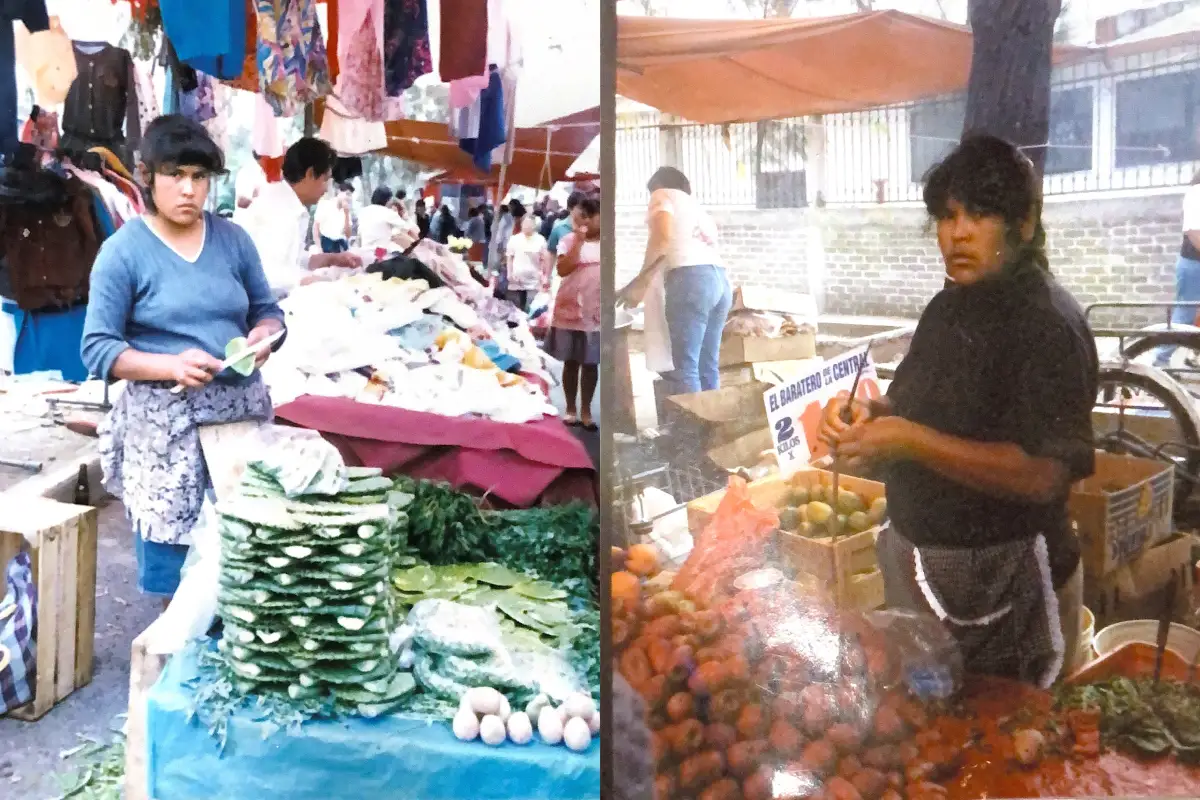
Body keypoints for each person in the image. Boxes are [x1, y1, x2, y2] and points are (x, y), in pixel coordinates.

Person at [819, 134, 1097, 688]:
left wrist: (907, 439)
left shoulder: (1047, 325)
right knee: (936, 737)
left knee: (1013, 744)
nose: (959, 233)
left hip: (1011, 589)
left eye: (981, 213)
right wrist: (863, 416)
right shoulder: (948, 308)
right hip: (925, 577)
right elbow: (916, 407)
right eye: (947, 216)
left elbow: (1042, 474)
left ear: (1022, 225)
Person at [80, 115, 285, 598]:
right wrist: (170, 366)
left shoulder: (233, 240)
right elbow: (97, 347)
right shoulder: (122, 252)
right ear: (147, 175)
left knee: (246, 562)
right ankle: (177, 662)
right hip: (165, 432)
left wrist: (262, 337)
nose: (189, 189)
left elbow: (269, 311)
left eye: (200, 177)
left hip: (239, 425)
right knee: (179, 580)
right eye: (176, 175)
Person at [619, 167, 731, 396]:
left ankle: (692, 430)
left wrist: (640, 284)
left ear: (659, 185)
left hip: (690, 280)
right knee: (706, 364)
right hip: (719, 281)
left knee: (685, 367)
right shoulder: (696, 208)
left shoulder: (662, 195)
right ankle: (714, 428)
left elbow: (661, 239)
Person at [236, 137, 362, 297]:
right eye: (325, 180)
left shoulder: (291, 206)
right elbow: (267, 274)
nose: (325, 190)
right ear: (310, 174)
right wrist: (312, 280)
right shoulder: (277, 209)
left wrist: (334, 259)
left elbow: (295, 259)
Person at [545, 196, 601, 429]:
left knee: (591, 363)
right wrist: (578, 241)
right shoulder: (567, 240)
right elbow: (563, 269)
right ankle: (570, 408)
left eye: (592, 218)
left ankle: (587, 410)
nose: (586, 222)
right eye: (581, 218)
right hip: (571, 309)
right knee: (571, 361)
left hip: (596, 311)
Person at [1156, 169, 1200, 367]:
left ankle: (1194, 356)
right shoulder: (1196, 193)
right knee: (1185, 314)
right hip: (1193, 263)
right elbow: (1194, 232)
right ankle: (1160, 360)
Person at [505, 213, 549, 311]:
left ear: (534, 225)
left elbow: (544, 259)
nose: (527, 226)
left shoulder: (540, 240)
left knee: (530, 306)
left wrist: (544, 275)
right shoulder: (514, 239)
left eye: (529, 224)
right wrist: (509, 273)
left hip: (534, 279)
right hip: (517, 278)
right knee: (516, 307)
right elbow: (510, 257)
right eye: (525, 224)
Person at [359, 187, 418, 253]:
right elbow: (408, 228)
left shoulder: (363, 212)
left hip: (365, 250)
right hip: (382, 251)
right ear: (388, 200)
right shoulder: (388, 212)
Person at [313, 181, 354, 253]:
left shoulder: (347, 211)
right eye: (347, 194)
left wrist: (346, 214)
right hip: (326, 243)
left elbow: (348, 235)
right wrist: (319, 248)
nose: (348, 198)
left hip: (341, 244)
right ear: (339, 192)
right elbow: (316, 229)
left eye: (350, 195)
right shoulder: (325, 205)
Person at [232, 150, 266, 226]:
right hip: (246, 226)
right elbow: (241, 203)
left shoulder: (266, 173)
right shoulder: (247, 172)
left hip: (260, 227)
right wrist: (254, 195)